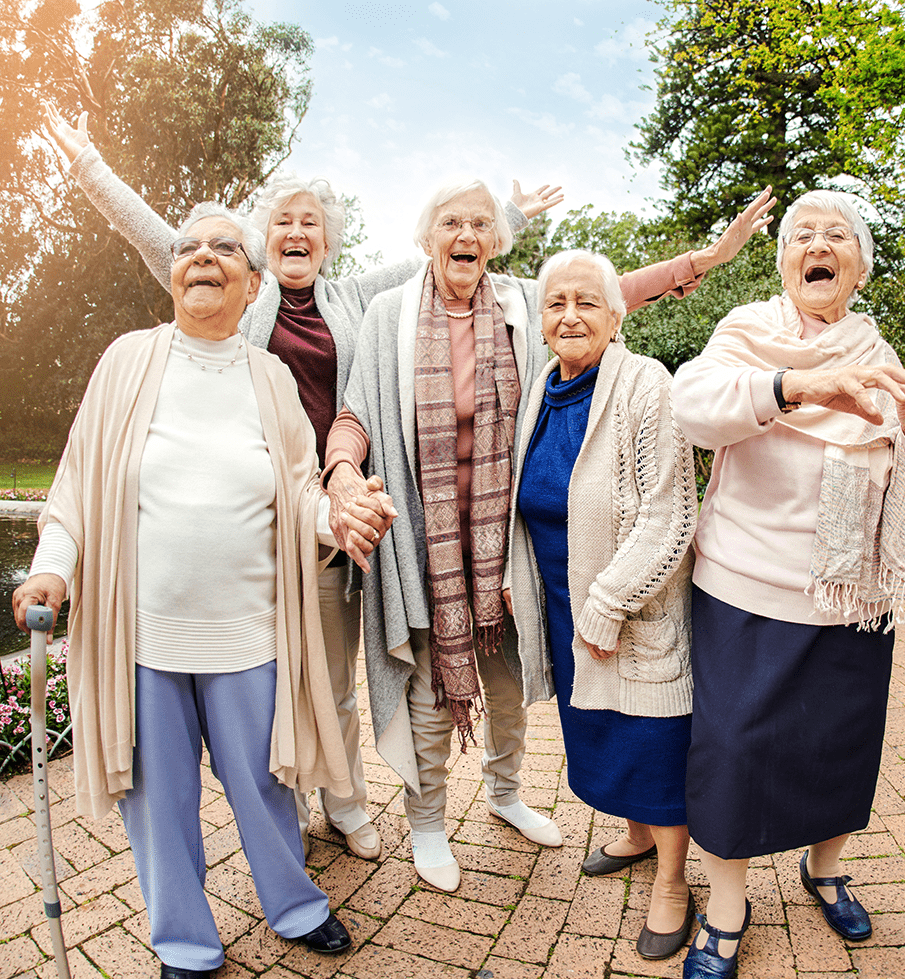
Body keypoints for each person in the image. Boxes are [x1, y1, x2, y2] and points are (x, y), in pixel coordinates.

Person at [41, 102, 560, 861]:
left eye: (311, 221)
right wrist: (89, 166)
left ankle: (345, 803)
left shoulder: (355, 300)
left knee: (334, 679)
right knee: (265, 685)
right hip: (253, 525)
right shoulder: (233, 290)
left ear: (328, 240)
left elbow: (444, 250)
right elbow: (157, 235)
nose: (296, 232)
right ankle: (284, 812)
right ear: (259, 245)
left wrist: (503, 211)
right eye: (283, 220)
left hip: (339, 523)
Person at [325, 181, 776, 892]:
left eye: (479, 222)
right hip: (427, 543)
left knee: (507, 686)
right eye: (451, 222)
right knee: (428, 692)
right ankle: (430, 824)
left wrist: (703, 260)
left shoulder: (518, 306)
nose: (465, 233)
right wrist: (343, 470)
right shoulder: (388, 316)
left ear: (495, 240)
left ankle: (506, 795)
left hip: (508, 547)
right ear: (426, 237)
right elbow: (356, 411)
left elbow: (600, 296)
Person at [12, 204, 360, 979]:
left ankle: (295, 907)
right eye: (187, 247)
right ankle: (185, 942)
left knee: (266, 783)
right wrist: (54, 569)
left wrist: (336, 516)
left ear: (253, 281)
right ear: (173, 272)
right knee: (155, 796)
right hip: (142, 636)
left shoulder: (269, 377)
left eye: (223, 248)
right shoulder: (128, 361)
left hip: (250, 631)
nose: (202, 256)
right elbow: (76, 485)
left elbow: (300, 493)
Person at [670, 190, 905, 979]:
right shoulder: (747, 336)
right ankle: (727, 909)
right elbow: (694, 409)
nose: (819, 242)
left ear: (859, 268)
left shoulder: (881, 358)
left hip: (852, 599)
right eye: (803, 233)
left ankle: (825, 870)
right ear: (783, 261)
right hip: (744, 583)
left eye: (838, 235)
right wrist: (800, 386)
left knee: (840, 747)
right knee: (730, 750)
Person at [505, 245, 704, 960]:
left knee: (653, 741)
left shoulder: (648, 386)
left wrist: (610, 601)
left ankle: (674, 879)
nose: (570, 314)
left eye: (587, 301)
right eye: (556, 302)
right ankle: (638, 836)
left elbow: (670, 513)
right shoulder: (538, 389)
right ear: (540, 320)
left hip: (634, 607)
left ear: (617, 316)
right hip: (564, 603)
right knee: (599, 732)